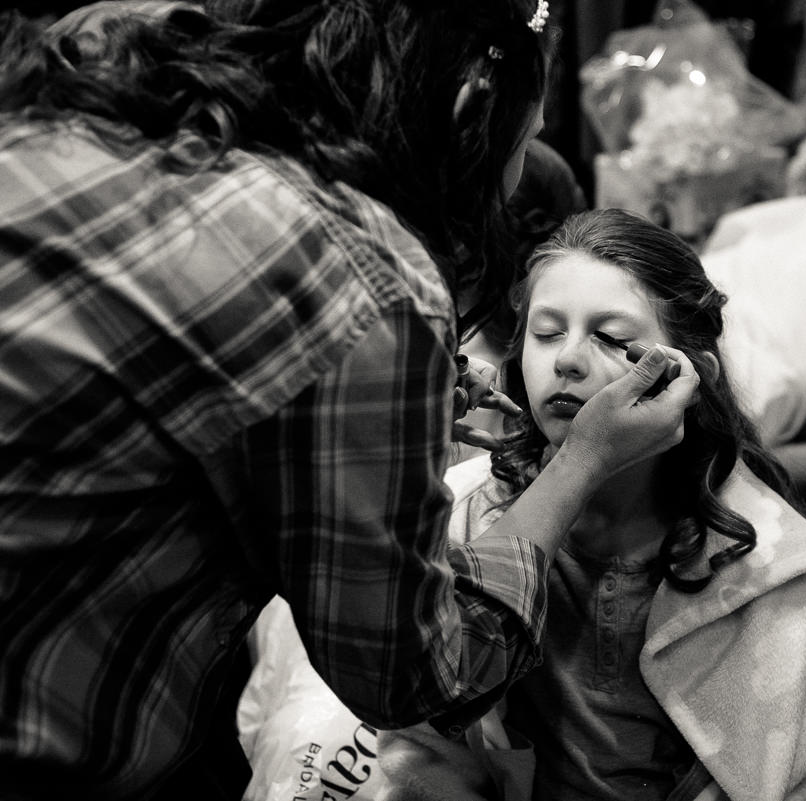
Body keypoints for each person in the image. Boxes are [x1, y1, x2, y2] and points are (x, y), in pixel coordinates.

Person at [0, 3, 698, 799]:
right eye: (524, 135)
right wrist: (581, 462)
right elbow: (420, 672)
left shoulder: (92, 94)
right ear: (473, 107)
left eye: (611, 335)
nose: (570, 361)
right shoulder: (358, 278)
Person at [379, 209, 806, 801]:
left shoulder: (766, 564)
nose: (567, 360)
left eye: (612, 338)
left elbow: (799, 778)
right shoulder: (465, 514)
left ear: (691, 377)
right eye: (547, 331)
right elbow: (421, 754)